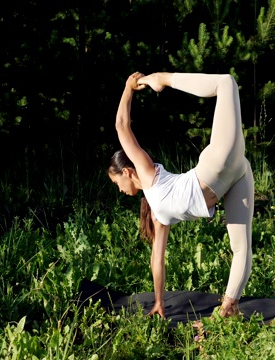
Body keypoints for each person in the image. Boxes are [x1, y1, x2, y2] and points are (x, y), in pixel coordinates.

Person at [107, 71, 254, 318]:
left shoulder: (147, 173)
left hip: (215, 166)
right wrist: (158, 302)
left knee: (226, 83)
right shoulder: (157, 214)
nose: (119, 190)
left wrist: (128, 88)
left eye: (116, 182)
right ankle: (229, 307)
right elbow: (157, 260)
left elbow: (121, 127)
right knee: (241, 248)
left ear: (127, 171)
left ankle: (162, 78)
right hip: (235, 175)